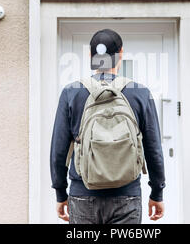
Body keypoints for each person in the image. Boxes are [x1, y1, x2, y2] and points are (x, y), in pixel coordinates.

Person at [50, 28, 165, 224]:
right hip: (127, 196)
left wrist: (61, 193)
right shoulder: (140, 93)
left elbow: (58, 150)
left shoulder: (71, 93)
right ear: (121, 53)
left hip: (82, 194)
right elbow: (153, 149)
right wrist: (157, 192)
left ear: (90, 56)